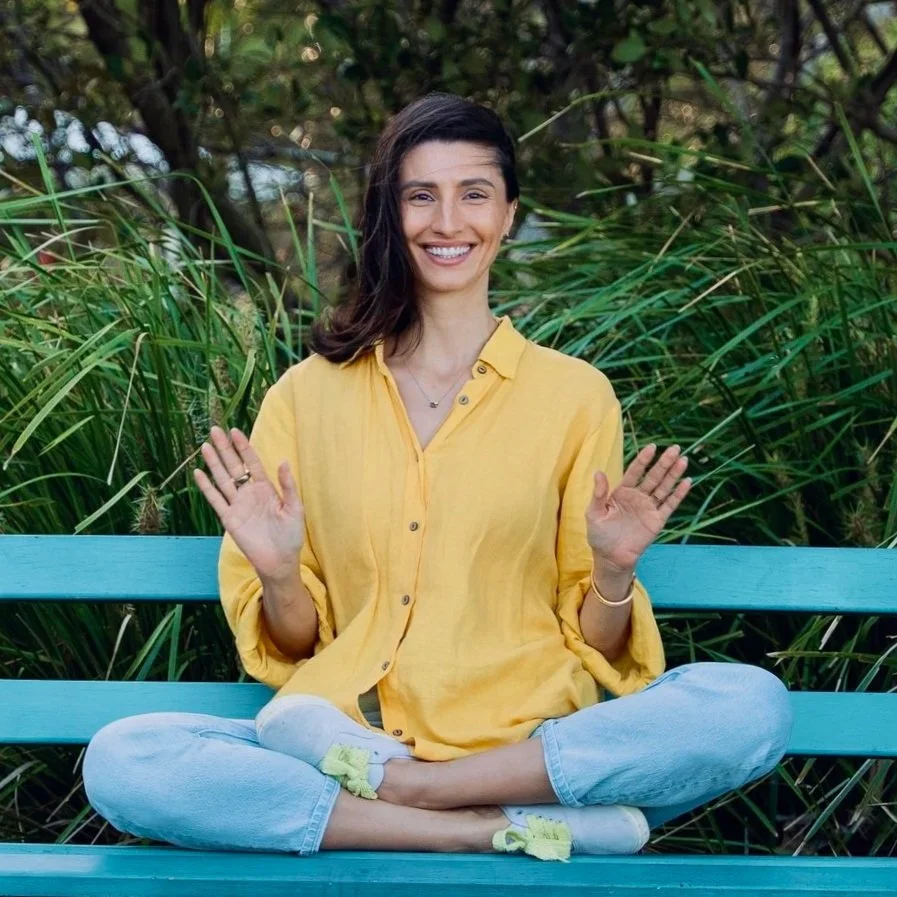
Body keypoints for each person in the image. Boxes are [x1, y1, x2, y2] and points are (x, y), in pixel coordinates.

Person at [82, 92, 793, 862]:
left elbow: (594, 636)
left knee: (750, 706)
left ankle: (420, 794)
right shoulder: (305, 395)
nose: (447, 221)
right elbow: (293, 643)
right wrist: (280, 573)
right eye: (421, 196)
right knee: (126, 759)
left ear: (509, 215)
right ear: (391, 215)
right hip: (349, 735)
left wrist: (615, 571)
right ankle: (485, 829)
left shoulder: (573, 395)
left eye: (473, 194)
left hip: (521, 742)